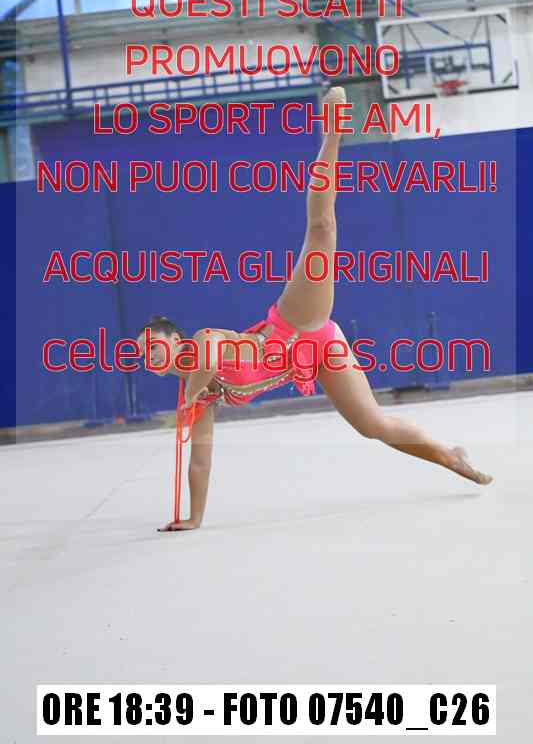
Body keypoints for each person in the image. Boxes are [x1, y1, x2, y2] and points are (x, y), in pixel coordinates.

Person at [137, 87, 493, 532]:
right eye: (143, 354)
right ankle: (449, 455)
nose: (148, 355)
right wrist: (193, 517)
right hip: (317, 356)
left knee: (322, 230)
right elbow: (201, 460)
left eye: (153, 345)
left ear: (177, 341)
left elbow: (207, 360)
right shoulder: (200, 398)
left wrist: (187, 402)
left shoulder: (203, 346)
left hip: (294, 324)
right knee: (373, 425)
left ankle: (333, 134)